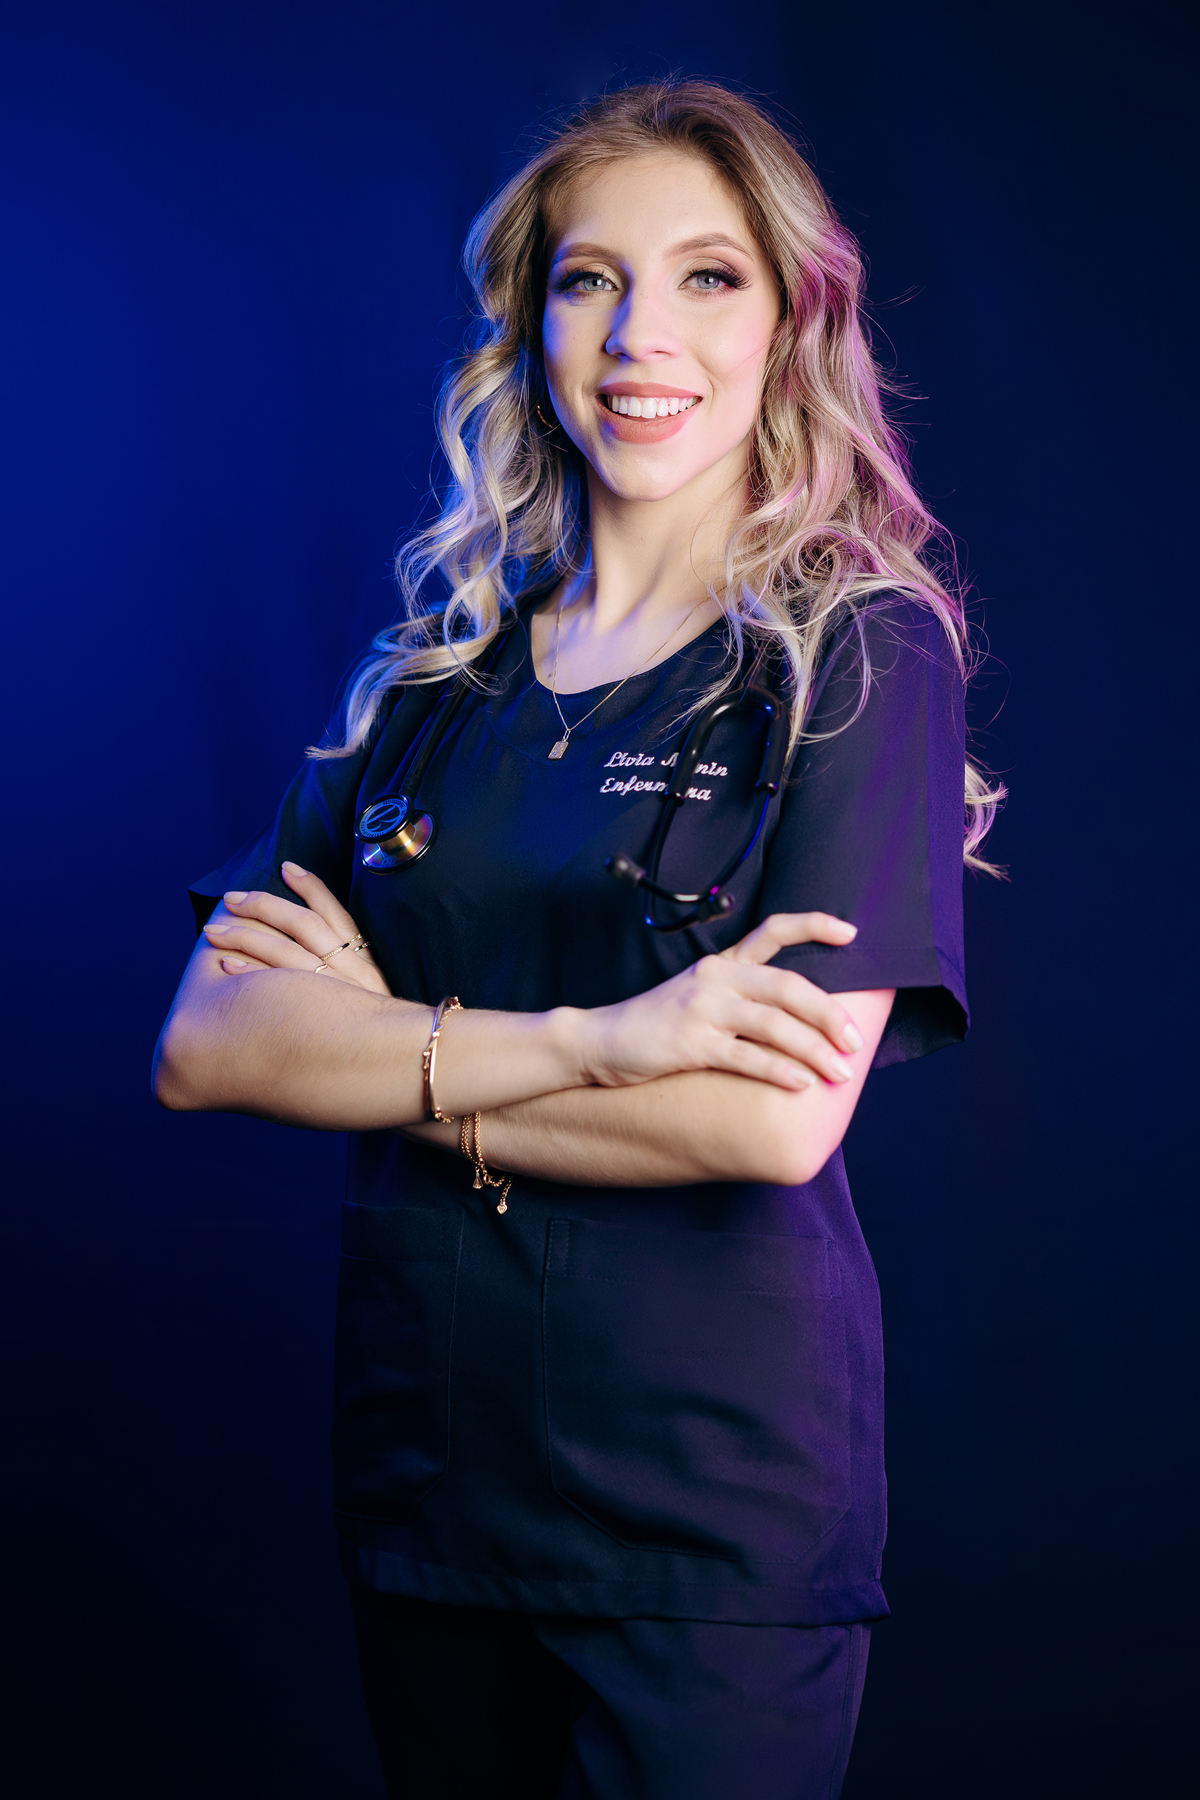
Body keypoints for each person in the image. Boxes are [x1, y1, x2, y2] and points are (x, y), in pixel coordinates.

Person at [154, 78, 1000, 1800]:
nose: (638, 336)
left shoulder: (853, 649)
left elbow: (769, 1117)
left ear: (789, 324)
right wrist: (605, 1043)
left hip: (707, 1517)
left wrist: (395, 1057)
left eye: (708, 277)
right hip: (430, 1484)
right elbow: (209, 1043)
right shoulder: (434, 674)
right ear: (531, 325)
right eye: (588, 279)